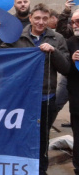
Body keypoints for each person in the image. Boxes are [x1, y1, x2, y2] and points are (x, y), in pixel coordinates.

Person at [0, 3, 69, 175]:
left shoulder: (57, 39)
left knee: (41, 138)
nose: (41, 22)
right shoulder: (16, 36)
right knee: (18, 134)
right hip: (20, 97)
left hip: (45, 97)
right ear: (31, 18)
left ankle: (40, 170)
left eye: (44, 19)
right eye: (38, 18)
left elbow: (66, 68)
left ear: (49, 20)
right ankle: (19, 169)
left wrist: (53, 52)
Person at [66, 9, 79, 174]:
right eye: (74, 22)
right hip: (77, 97)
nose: (76, 25)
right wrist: (71, 60)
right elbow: (64, 70)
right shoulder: (69, 43)